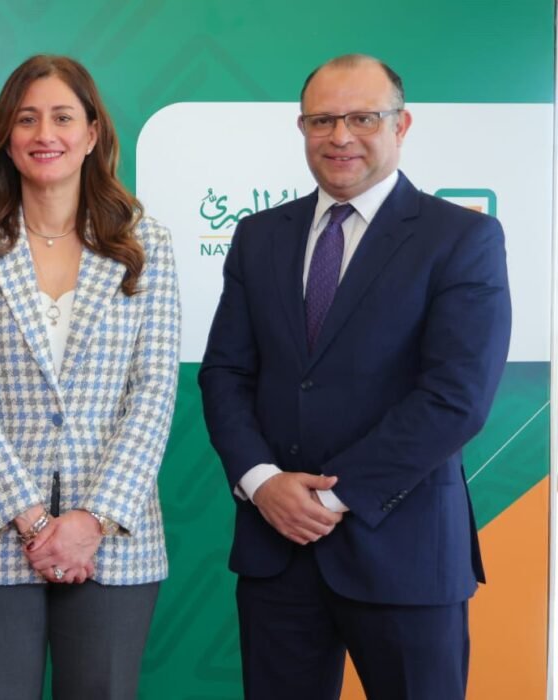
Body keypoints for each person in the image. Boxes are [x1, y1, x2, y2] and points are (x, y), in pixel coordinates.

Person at [198, 54, 511, 699]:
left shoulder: (461, 238)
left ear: (401, 125)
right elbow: (226, 372)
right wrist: (261, 483)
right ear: (302, 128)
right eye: (322, 120)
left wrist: (327, 500)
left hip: (405, 551)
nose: (340, 136)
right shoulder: (259, 236)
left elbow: (455, 398)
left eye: (363, 118)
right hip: (276, 552)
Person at [0, 54, 180, 699]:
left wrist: (91, 520)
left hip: (114, 538)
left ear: (92, 134)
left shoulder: (146, 243)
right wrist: (35, 523)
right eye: (27, 119)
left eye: (63, 118)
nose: (45, 134)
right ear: (6, 138)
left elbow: (153, 390)